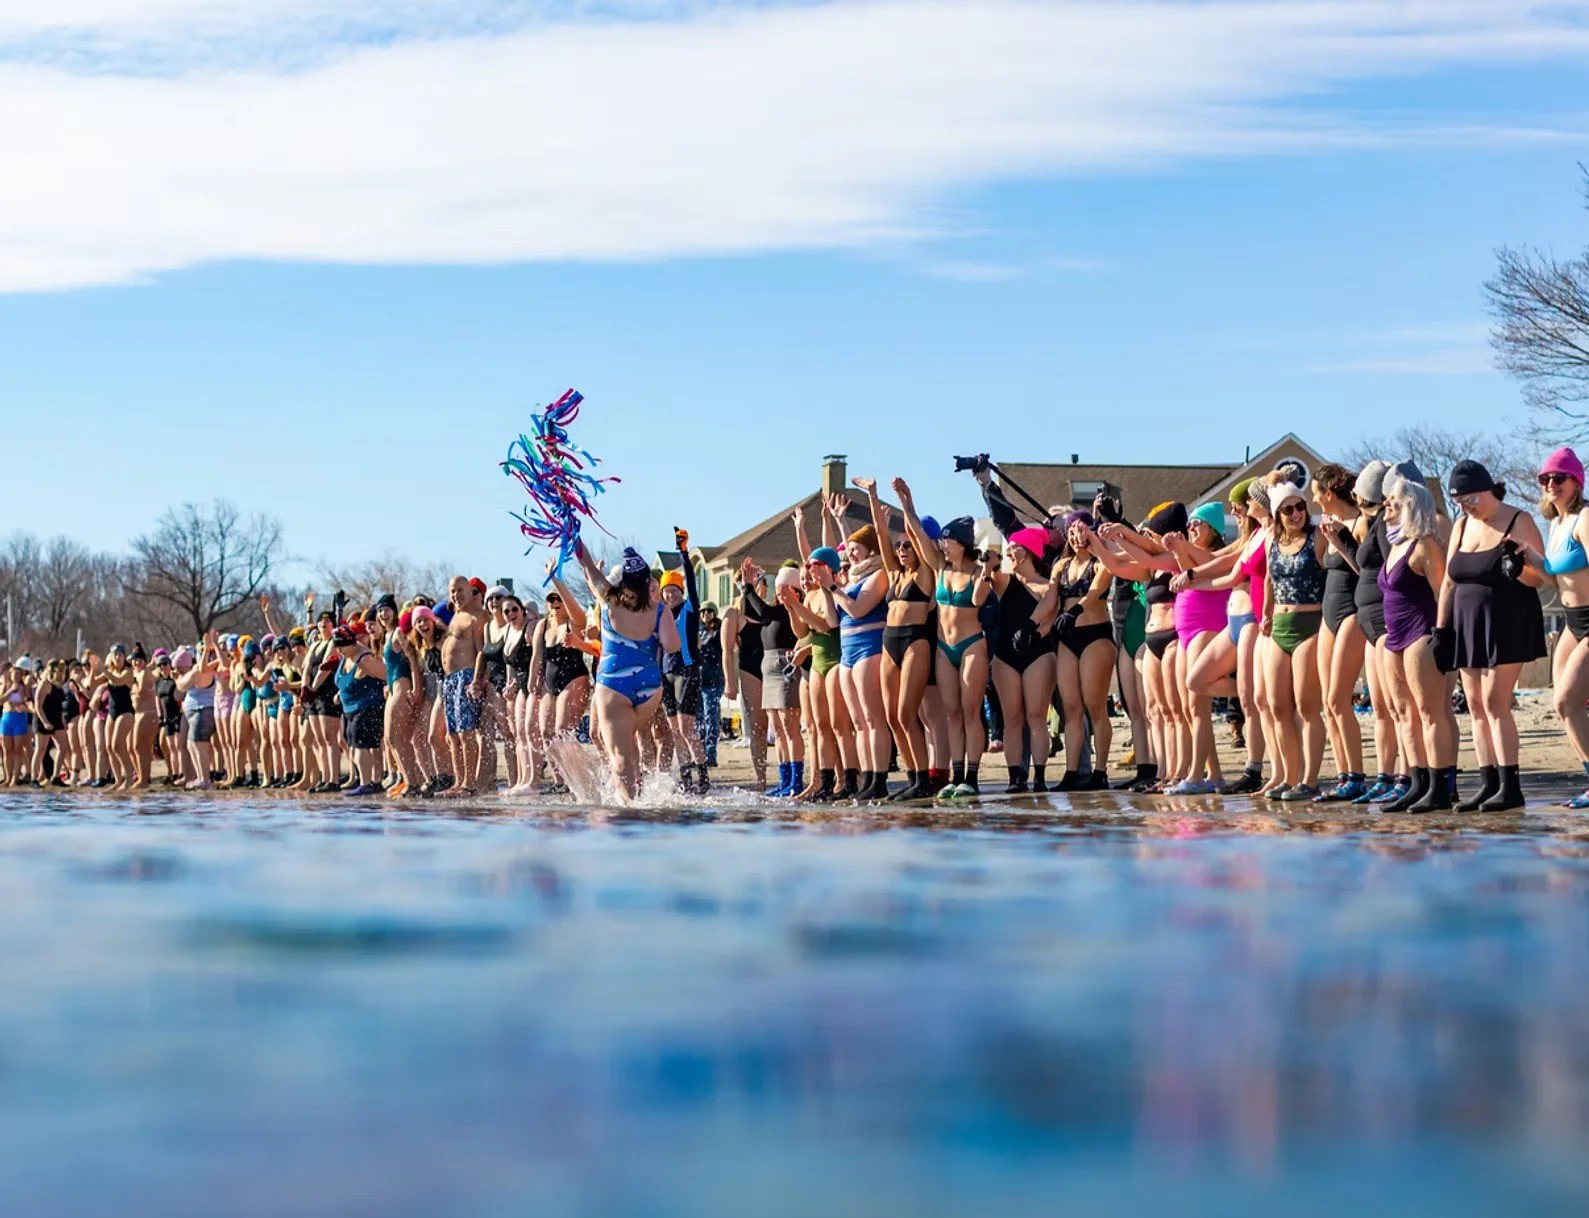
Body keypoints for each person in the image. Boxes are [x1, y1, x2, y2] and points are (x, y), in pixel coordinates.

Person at [1438, 459, 1547, 811]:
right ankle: (1488, 785)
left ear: (1487, 489)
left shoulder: (1519, 520)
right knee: (1475, 706)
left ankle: (1510, 787)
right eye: (1458, 501)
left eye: (1469, 498)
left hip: (1507, 620)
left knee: (1495, 702)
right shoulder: (1460, 526)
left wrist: (1519, 568)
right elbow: (1449, 582)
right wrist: (1442, 629)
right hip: (1466, 623)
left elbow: (1540, 578)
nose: (1465, 506)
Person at [574, 542, 681, 798]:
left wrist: (574, 537)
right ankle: (640, 792)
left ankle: (629, 812)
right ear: (647, 583)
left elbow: (587, 566)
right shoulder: (659, 609)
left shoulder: (609, 599)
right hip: (649, 689)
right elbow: (672, 646)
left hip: (614, 685)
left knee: (619, 754)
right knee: (628, 739)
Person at [1376, 470, 1453, 812]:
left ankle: (1439, 786)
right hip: (1393, 637)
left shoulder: (1426, 544)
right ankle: (1417, 782)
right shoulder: (1394, 544)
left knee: (1428, 711)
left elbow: (1443, 592)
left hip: (1421, 632)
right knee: (1404, 713)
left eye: (1394, 501)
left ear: (1410, 505)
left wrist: (1443, 634)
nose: (1387, 506)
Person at [857, 477, 934, 801]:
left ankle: (924, 780)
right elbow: (879, 532)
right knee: (891, 718)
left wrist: (907, 504)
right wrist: (873, 496)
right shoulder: (896, 573)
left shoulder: (925, 572)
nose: (901, 550)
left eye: (907, 545)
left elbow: (920, 538)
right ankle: (913, 777)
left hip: (916, 641)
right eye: (899, 546)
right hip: (890, 642)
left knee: (906, 714)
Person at [1525, 447, 1589, 806]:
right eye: (1545, 479)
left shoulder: (1585, 519)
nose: (1551, 484)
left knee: (1568, 701)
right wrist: (1527, 557)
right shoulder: (1556, 523)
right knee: (1561, 704)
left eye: (1559, 478)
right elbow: (1554, 580)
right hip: (1571, 622)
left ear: (1576, 482)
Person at [1261, 482, 1330, 801]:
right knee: (1277, 707)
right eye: (1287, 509)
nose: (1296, 514)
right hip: (1280, 626)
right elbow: (1268, 579)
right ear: (1277, 514)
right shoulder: (1271, 540)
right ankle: (1289, 777)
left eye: (1300, 506)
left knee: (1306, 705)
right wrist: (1265, 613)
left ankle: (1310, 779)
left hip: (1310, 624)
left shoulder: (1317, 539)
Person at [1349, 460, 1406, 805]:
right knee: (1381, 708)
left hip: (1385, 621)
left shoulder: (1384, 528)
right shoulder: (1371, 526)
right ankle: (1385, 775)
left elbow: (1391, 568)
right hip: (1370, 623)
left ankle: (1404, 775)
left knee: (1396, 706)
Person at [1312, 463, 1369, 802]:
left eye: (1316, 494)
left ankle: (1357, 776)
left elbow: (1365, 568)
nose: (1314, 500)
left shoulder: (1359, 523)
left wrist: (1340, 538)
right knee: (1327, 702)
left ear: (1329, 493)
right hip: (1328, 612)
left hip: (1352, 611)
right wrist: (1326, 539)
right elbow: (1323, 566)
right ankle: (1343, 773)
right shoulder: (1326, 527)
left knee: (1338, 698)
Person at [827, 500, 891, 800]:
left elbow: (858, 607)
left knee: (873, 717)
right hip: (847, 651)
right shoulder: (851, 576)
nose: (851, 553)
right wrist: (841, 522)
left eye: (857, 548)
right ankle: (866, 779)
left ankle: (879, 778)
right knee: (857, 722)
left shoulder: (878, 575)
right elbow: (848, 548)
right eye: (849, 548)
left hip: (869, 647)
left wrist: (832, 589)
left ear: (872, 550)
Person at [987, 525, 1058, 792]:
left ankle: (1039, 776)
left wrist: (1032, 630)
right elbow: (990, 580)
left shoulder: (1047, 586)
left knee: (1036, 716)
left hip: (1037, 652)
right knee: (1012, 718)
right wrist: (990, 565)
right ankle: (1015, 777)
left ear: (1028, 552)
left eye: (1014, 547)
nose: (1009, 552)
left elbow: (1050, 611)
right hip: (1005, 655)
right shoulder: (1005, 581)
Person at [744, 558, 806, 798]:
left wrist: (748, 588)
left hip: (784, 666)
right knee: (777, 729)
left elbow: (762, 610)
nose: (779, 594)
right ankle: (784, 779)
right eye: (778, 589)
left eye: (784, 589)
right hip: (768, 668)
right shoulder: (773, 611)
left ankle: (796, 780)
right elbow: (756, 611)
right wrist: (748, 586)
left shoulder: (789, 612)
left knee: (790, 726)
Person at [659, 530, 710, 795]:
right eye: (666, 591)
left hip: (687, 670)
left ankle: (702, 774)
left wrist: (683, 553)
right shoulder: (660, 614)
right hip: (667, 673)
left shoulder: (690, 608)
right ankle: (686, 775)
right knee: (674, 730)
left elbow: (691, 581)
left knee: (686, 727)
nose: (670, 595)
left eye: (674, 591)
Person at [720, 571, 769, 791]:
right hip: (749, 669)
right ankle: (761, 777)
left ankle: (789, 775)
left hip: (773, 668)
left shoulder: (767, 609)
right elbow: (727, 651)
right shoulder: (733, 613)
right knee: (758, 726)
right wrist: (730, 682)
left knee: (778, 726)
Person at [440, 576, 489, 797]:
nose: (456, 595)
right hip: (450, 680)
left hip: (465, 677)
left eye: (460, 590)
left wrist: (477, 679)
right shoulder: (456, 616)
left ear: (470, 592)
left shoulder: (478, 617)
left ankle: (469, 783)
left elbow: (481, 651)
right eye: (452, 591)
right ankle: (458, 781)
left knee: (466, 732)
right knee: (453, 735)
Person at [330, 625, 387, 796]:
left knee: (362, 745)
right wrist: (340, 693)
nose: (339, 650)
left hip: (368, 707)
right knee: (354, 744)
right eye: (337, 646)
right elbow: (348, 681)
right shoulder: (346, 656)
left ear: (352, 643)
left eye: (342, 646)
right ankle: (374, 782)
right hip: (350, 709)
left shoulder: (364, 658)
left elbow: (386, 675)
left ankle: (367, 783)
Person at [696, 601, 725, 770]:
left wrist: (703, 647)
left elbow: (719, 653)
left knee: (711, 717)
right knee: (697, 720)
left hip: (713, 680)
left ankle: (711, 753)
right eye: (703, 611)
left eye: (709, 611)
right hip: (697, 681)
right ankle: (699, 754)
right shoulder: (696, 631)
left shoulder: (718, 632)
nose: (705, 614)